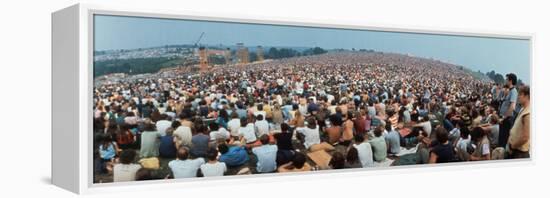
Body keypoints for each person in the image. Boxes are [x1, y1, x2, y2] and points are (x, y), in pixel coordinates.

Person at [507, 85, 530, 159]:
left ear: (526, 96)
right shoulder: (523, 109)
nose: (518, 97)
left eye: (520, 94)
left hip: (519, 153)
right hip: (515, 149)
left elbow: (525, 137)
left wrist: (513, 146)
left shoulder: (528, 113)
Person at [499, 73, 518, 147]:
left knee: (503, 138)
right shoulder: (509, 91)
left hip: (506, 119)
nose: (505, 80)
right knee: (501, 137)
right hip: (503, 118)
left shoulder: (514, 91)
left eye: (507, 79)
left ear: (510, 81)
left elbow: (512, 107)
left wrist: (504, 118)